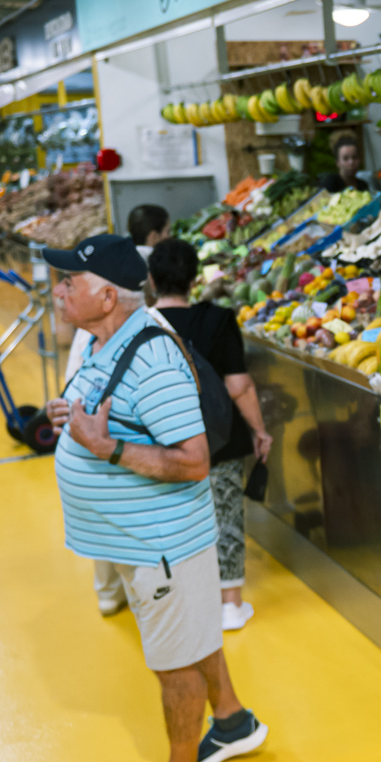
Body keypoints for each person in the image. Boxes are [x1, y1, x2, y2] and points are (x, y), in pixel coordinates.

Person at [44, 234, 269, 762]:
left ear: (110, 294)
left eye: (71, 282)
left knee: (173, 666)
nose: (60, 291)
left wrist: (106, 447)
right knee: (192, 636)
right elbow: (107, 413)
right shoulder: (103, 341)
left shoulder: (151, 356)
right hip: (132, 537)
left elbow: (194, 460)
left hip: (159, 544)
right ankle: (232, 722)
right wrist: (71, 419)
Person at [147, 239, 273, 631]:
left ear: (151, 280)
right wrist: (259, 430)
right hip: (218, 439)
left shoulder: (142, 325)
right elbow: (239, 386)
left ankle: (179, 601)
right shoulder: (218, 319)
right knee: (226, 514)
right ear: (194, 278)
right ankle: (230, 605)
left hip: (161, 441)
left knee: (169, 517)